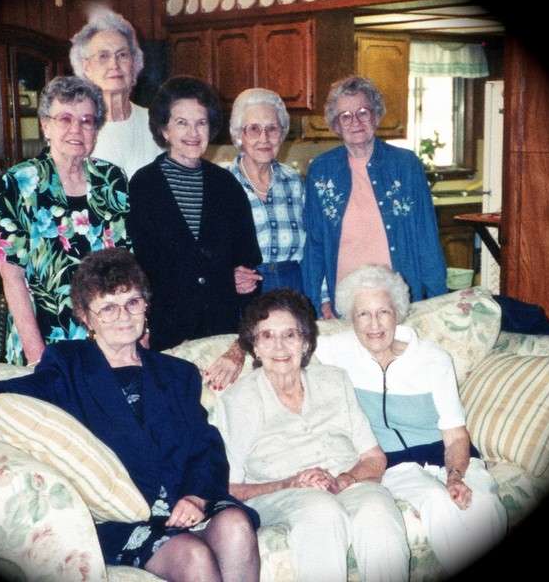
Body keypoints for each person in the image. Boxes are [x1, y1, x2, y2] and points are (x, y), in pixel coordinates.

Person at [0, 248, 260, 582]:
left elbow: (205, 446)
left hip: (187, 499)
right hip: (124, 516)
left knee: (236, 525)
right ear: (86, 318)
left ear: (146, 306)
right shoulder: (69, 365)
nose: (123, 316)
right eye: (107, 308)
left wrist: (195, 497)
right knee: (193, 556)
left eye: (132, 302)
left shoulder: (178, 373)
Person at [316, 264, 507, 577]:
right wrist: (236, 353)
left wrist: (455, 476)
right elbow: (282, 340)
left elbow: (456, 435)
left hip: (448, 455)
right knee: (436, 501)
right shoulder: (337, 350)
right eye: (363, 314)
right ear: (351, 318)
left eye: (383, 312)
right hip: (392, 464)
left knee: (483, 504)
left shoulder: (433, 359)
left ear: (398, 313)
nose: (374, 324)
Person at [212, 288, 410, 582]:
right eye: (267, 336)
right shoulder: (237, 402)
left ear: (305, 343)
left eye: (290, 335)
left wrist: (343, 479)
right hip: (279, 495)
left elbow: (373, 458)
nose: (280, 346)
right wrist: (290, 483)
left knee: (377, 509)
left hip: (346, 483)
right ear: (255, 347)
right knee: (321, 511)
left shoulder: (334, 380)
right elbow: (228, 487)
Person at [0, 75, 130, 366]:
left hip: (109, 336)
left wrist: (137, 331)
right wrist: (38, 356)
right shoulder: (20, 181)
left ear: (96, 129)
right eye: (65, 119)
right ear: (46, 125)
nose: (76, 129)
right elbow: (11, 275)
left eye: (86, 121)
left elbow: (127, 264)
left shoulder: (112, 179)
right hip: (42, 336)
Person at [128, 75, 262, 351]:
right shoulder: (143, 185)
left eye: (201, 123)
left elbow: (247, 263)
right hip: (165, 331)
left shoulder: (226, 185)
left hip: (221, 330)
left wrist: (242, 280)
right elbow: (136, 266)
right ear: (164, 130)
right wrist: (142, 326)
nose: (193, 133)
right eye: (182, 123)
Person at [302, 75, 446, 320]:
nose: (355, 122)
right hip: (345, 302)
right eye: (345, 116)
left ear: (376, 115)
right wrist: (316, 301)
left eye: (363, 112)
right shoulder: (321, 170)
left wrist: (437, 304)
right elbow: (314, 245)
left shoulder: (406, 165)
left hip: (398, 299)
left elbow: (427, 239)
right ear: (336, 125)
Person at [205, 87, 306, 391]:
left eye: (272, 128)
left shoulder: (295, 182)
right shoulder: (219, 183)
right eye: (253, 129)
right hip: (246, 291)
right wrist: (225, 276)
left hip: (294, 288)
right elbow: (204, 250)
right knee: (251, 377)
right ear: (239, 135)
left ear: (282, 133)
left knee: (294, 374)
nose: (264, 138)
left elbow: (314, 245)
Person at [70, 6, 162, 179]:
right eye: (103, 56)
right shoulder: (73, 130)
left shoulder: (158, 122)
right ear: (87, 67)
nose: (114, 64)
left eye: (122, 55)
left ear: (134, 63)